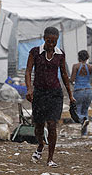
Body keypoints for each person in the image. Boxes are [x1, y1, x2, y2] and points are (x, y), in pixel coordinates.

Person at [25, 27, 76, 168]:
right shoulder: (35, 52)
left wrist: (70, 95)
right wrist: (29, 89)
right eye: (49, 41)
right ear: (44, 38)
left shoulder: (60, 55)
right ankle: (40, 145)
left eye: (54, 42)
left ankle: (50, 159)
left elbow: (64, 75)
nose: (51, 44)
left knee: (52, 125)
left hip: (55, 94)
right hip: (39, 94)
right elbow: (28, 71)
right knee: (39, 126)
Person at [70, 50, 92, 136]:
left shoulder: (75, 66)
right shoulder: (91, 67)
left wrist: (67, 79)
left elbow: (72, 80)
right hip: (88, 91)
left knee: (76, 112)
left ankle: (82, 120)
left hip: (78, 91)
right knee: (85, 111)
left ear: (78, 57)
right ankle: (84, 134)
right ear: (87, 58)